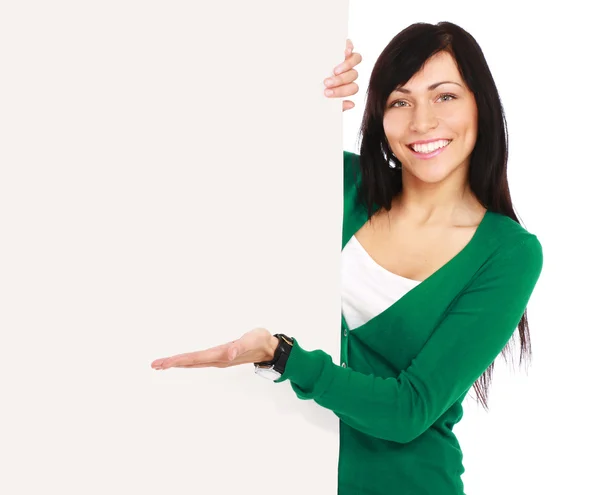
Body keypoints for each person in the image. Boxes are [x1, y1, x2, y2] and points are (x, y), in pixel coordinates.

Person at [151, 22, 543, 495]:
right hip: (275, 469)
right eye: (401, 101)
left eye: (445, 97)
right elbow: (215, 152)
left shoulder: (508, 253)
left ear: (481, 105)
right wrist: (304, 86)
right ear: (379, 114)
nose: (422, 122)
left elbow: (409, 410)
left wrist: (283, 357)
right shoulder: (340, 183)